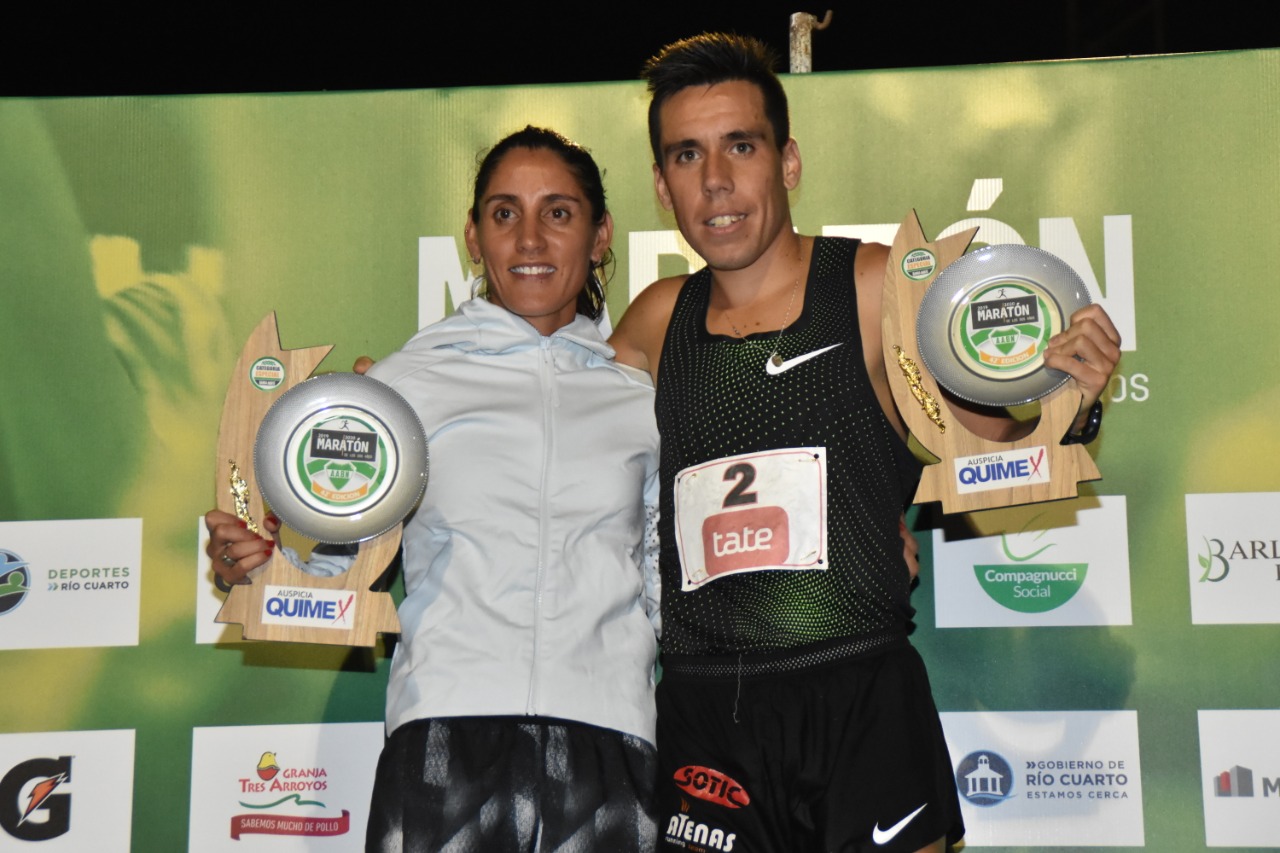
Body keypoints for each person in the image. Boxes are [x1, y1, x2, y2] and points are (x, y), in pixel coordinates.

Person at [609, 34, 1122, 853]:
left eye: (741, 146)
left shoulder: (876, 285)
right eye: (687, 154)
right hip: (706, 715)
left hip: (862, 698)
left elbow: (987, 458)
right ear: (663, 186)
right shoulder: (653, 322)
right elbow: (566, 471)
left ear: (788, 162)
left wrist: (1070, 405)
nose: (716, 181)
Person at [207, 126, 661, 852]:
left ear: (600, 234)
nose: (531, 238)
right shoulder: (406, 384)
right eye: (505, 213)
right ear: (473, 237)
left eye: (558, 212)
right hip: (445, 733)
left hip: (611, 740)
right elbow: (341, 568)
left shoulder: (641, 399)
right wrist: (258, 569)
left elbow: (672, 585)